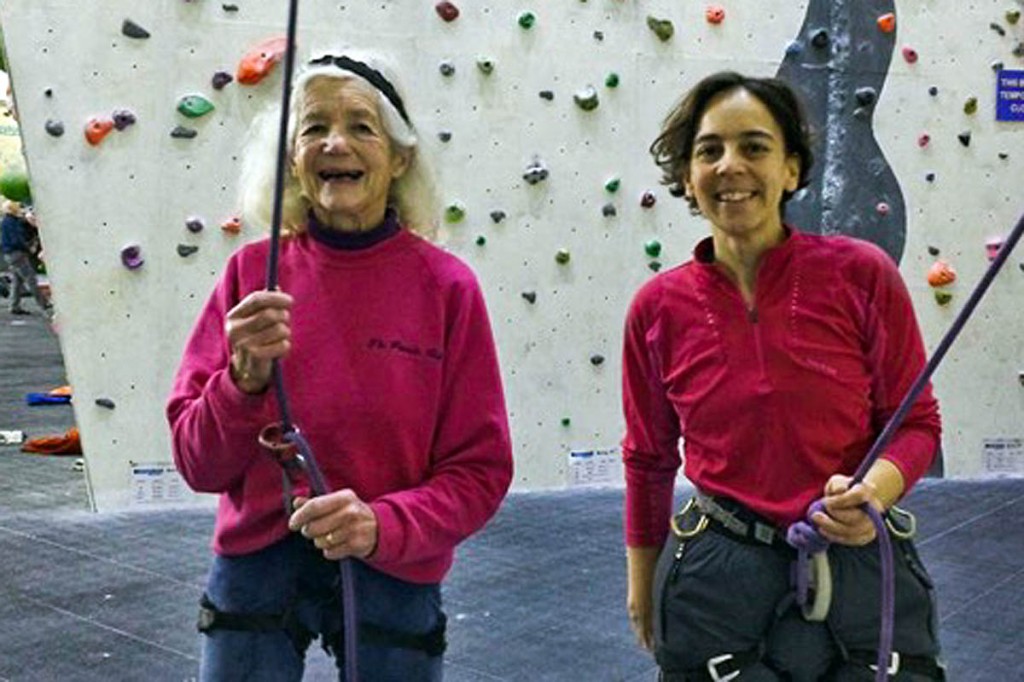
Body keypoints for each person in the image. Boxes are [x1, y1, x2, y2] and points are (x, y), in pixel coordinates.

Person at [167, 49, 513, 682]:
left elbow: (480, 470)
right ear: (293, 160)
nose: (334, 143)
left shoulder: (447, 288)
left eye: (361, 126)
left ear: (400, 158)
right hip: (258, 557)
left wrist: (382, 525)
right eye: (314, 127)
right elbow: (198, 465)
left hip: (393, 558)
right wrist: (240, 383)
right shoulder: (252, 275)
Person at [621, 72, 945, 681]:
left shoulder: (861, 276)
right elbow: (648, 458)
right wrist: (643, 582)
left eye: (755, 146)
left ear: (792, 169)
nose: (730, 165)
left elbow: (916, 424)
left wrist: (873, 493)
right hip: (719, 571)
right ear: (687, 177)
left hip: (856, 552)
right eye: (709, 150)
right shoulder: (656, 309)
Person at [1, 199, 51, 316]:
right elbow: (16, 240)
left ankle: (14, 305)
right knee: (30, 279)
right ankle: (44, 304)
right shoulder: (12, 222)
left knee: (17, 281)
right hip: (17, 254)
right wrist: (28, 247)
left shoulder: (6, 221)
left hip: (9, 254)